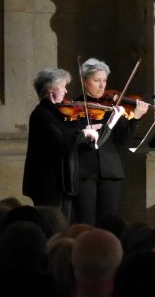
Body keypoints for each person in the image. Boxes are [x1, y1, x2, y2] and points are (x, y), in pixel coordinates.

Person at [73, 58, 149, 225]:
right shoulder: (75, 107)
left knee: (108, 223)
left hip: (111, 172)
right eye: (96, 80)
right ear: (84, 81)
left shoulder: (112, 108)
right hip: (85, 172)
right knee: (86, 222)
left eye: (104, 81)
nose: (102, 86)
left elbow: (124, 140)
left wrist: (135, 118)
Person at [23, 68, 100, 219]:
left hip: (63, 181)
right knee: (52, 226)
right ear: (50, 89)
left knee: (62, 225)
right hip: (48, 183)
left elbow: (71, 136)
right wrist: (83, 133)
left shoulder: (58, 113)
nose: (66, 91)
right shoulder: (42, 114)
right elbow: (60, 144)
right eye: (63, 86)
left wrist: (86, 129)